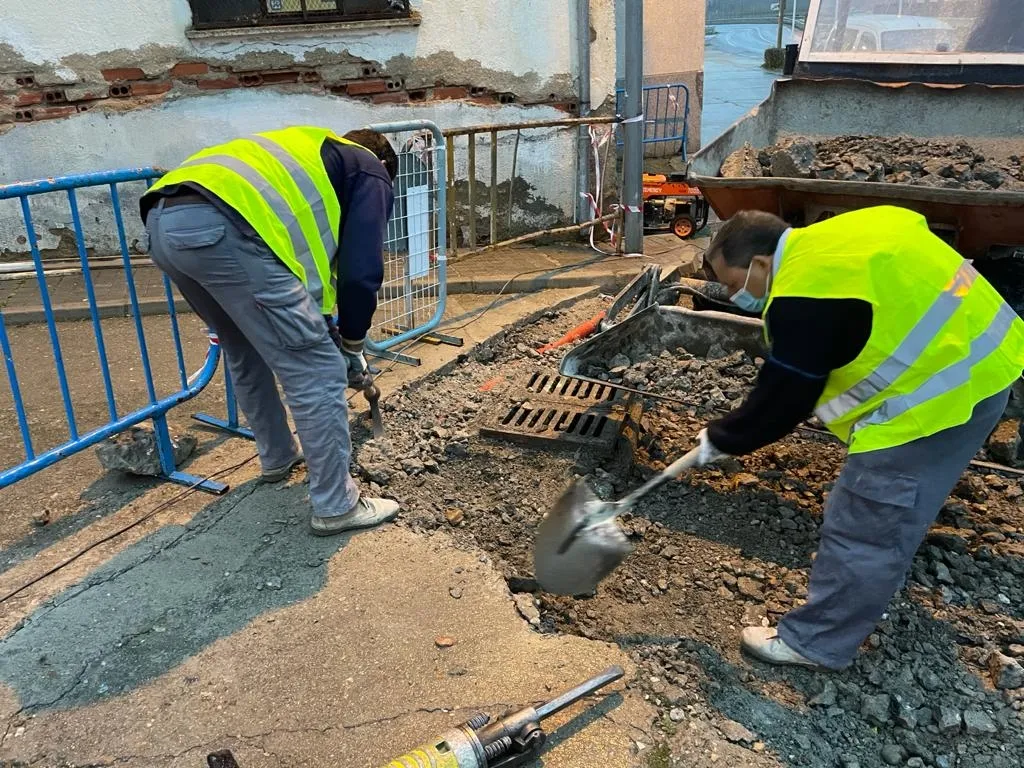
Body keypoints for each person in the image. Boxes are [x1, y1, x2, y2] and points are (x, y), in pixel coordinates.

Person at [697, 206, 1024, 670]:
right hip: (984, 362)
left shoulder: (806, 295)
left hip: (934, 402)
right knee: (893, 514)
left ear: (762, 264)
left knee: (864, 520)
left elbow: (780, 403)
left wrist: (719, 439)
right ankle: (877, 579)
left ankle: (817, 642)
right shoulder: (837, 238)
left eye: (734, 283)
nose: (734, 296)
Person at [140, 126, 400, 536]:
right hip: (224, 227)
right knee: (316, 372)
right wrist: (351, 344)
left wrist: (323, 326)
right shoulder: (369, 169)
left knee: (243, 347)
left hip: (162, 221)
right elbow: (360, 273)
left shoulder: (308, 151)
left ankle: (277, 457)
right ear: (386, 165)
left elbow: (302, 270)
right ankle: (337, 506)